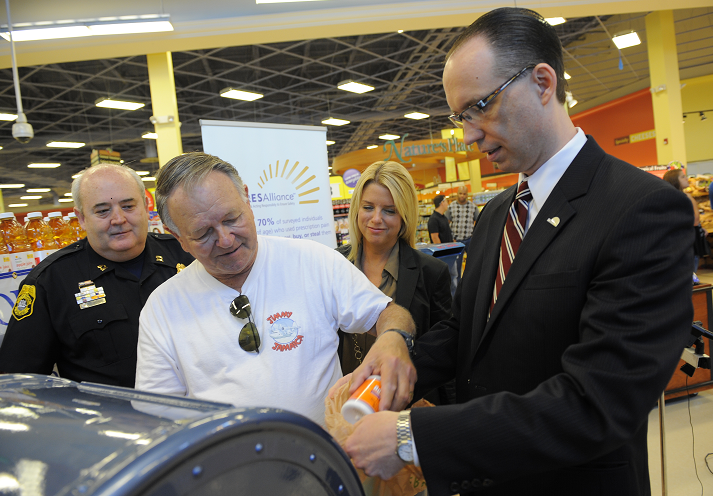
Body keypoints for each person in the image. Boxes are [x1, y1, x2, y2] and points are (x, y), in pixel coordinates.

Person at [343, 8, 693, 495]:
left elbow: (599, 401)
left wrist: (413, 437)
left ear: (543, 83)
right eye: (459, 116)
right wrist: (401, 358)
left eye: (480, 106)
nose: (467, 135)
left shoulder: (642, 210)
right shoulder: (496, 216)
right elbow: (468, 331)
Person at [136, 152, 417, 426]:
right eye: (203, 233)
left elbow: (387, 313)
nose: (225, 240)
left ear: (247, 198)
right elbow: (157, 416)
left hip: (326, 458)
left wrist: (393, 338)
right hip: (227, 469)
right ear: (177, 237)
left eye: (232, 219)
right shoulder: (162, 308)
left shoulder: (313, 261)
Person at [0, 164, 194, 387]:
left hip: (201, 410)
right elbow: (20, 381)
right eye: (102, 211)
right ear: (81, 218)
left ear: (145, 207)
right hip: (110, 418)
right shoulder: (50, 282)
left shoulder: (188, 254)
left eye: (128, 206)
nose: (118, 219)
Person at [336, 161, 452, 401]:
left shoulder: (431, 272)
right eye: (368, 207)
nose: (376, 219)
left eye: (389, 210)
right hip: (342, 401)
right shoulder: (334, 264)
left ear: (404, 216)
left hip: (404, 404)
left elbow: (445, 350)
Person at [663, 166, 706, 272]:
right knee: (691, 268)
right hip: (688, 237)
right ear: (675, 180)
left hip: (678, 238)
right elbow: (695, 219)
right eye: (682, 177)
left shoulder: (668, 196)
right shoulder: (684, 197)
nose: (686, 178)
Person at [445, 186, 478, 252]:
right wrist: (451, 239)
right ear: (457, 193)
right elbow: (446, 223)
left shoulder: (473, 207)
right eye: (460, 193)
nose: (462, 195)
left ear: (467, 195)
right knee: (457, 261)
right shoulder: (451, 206)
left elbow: (478, 221)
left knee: (472, 260)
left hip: (470, 239)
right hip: (456, 240)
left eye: (464, 194)